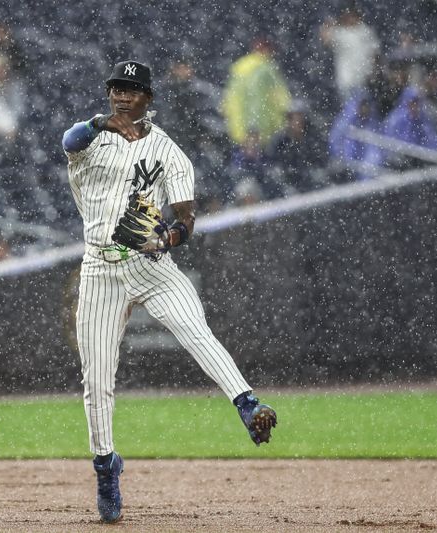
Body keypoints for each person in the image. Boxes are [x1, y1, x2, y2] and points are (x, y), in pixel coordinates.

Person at [62, 60, 277, 524]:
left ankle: (247, 404)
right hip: (99, 268)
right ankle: (106, 465)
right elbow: (68, 142)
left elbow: (185, 221)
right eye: (117, 88)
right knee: (97, 381)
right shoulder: (89, 135)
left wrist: (167, 239)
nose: (123, 95)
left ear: (148, 99)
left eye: (133, 90)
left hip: (151, 264)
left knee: (194, 329)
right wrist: (102, 123)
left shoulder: (170, 153)